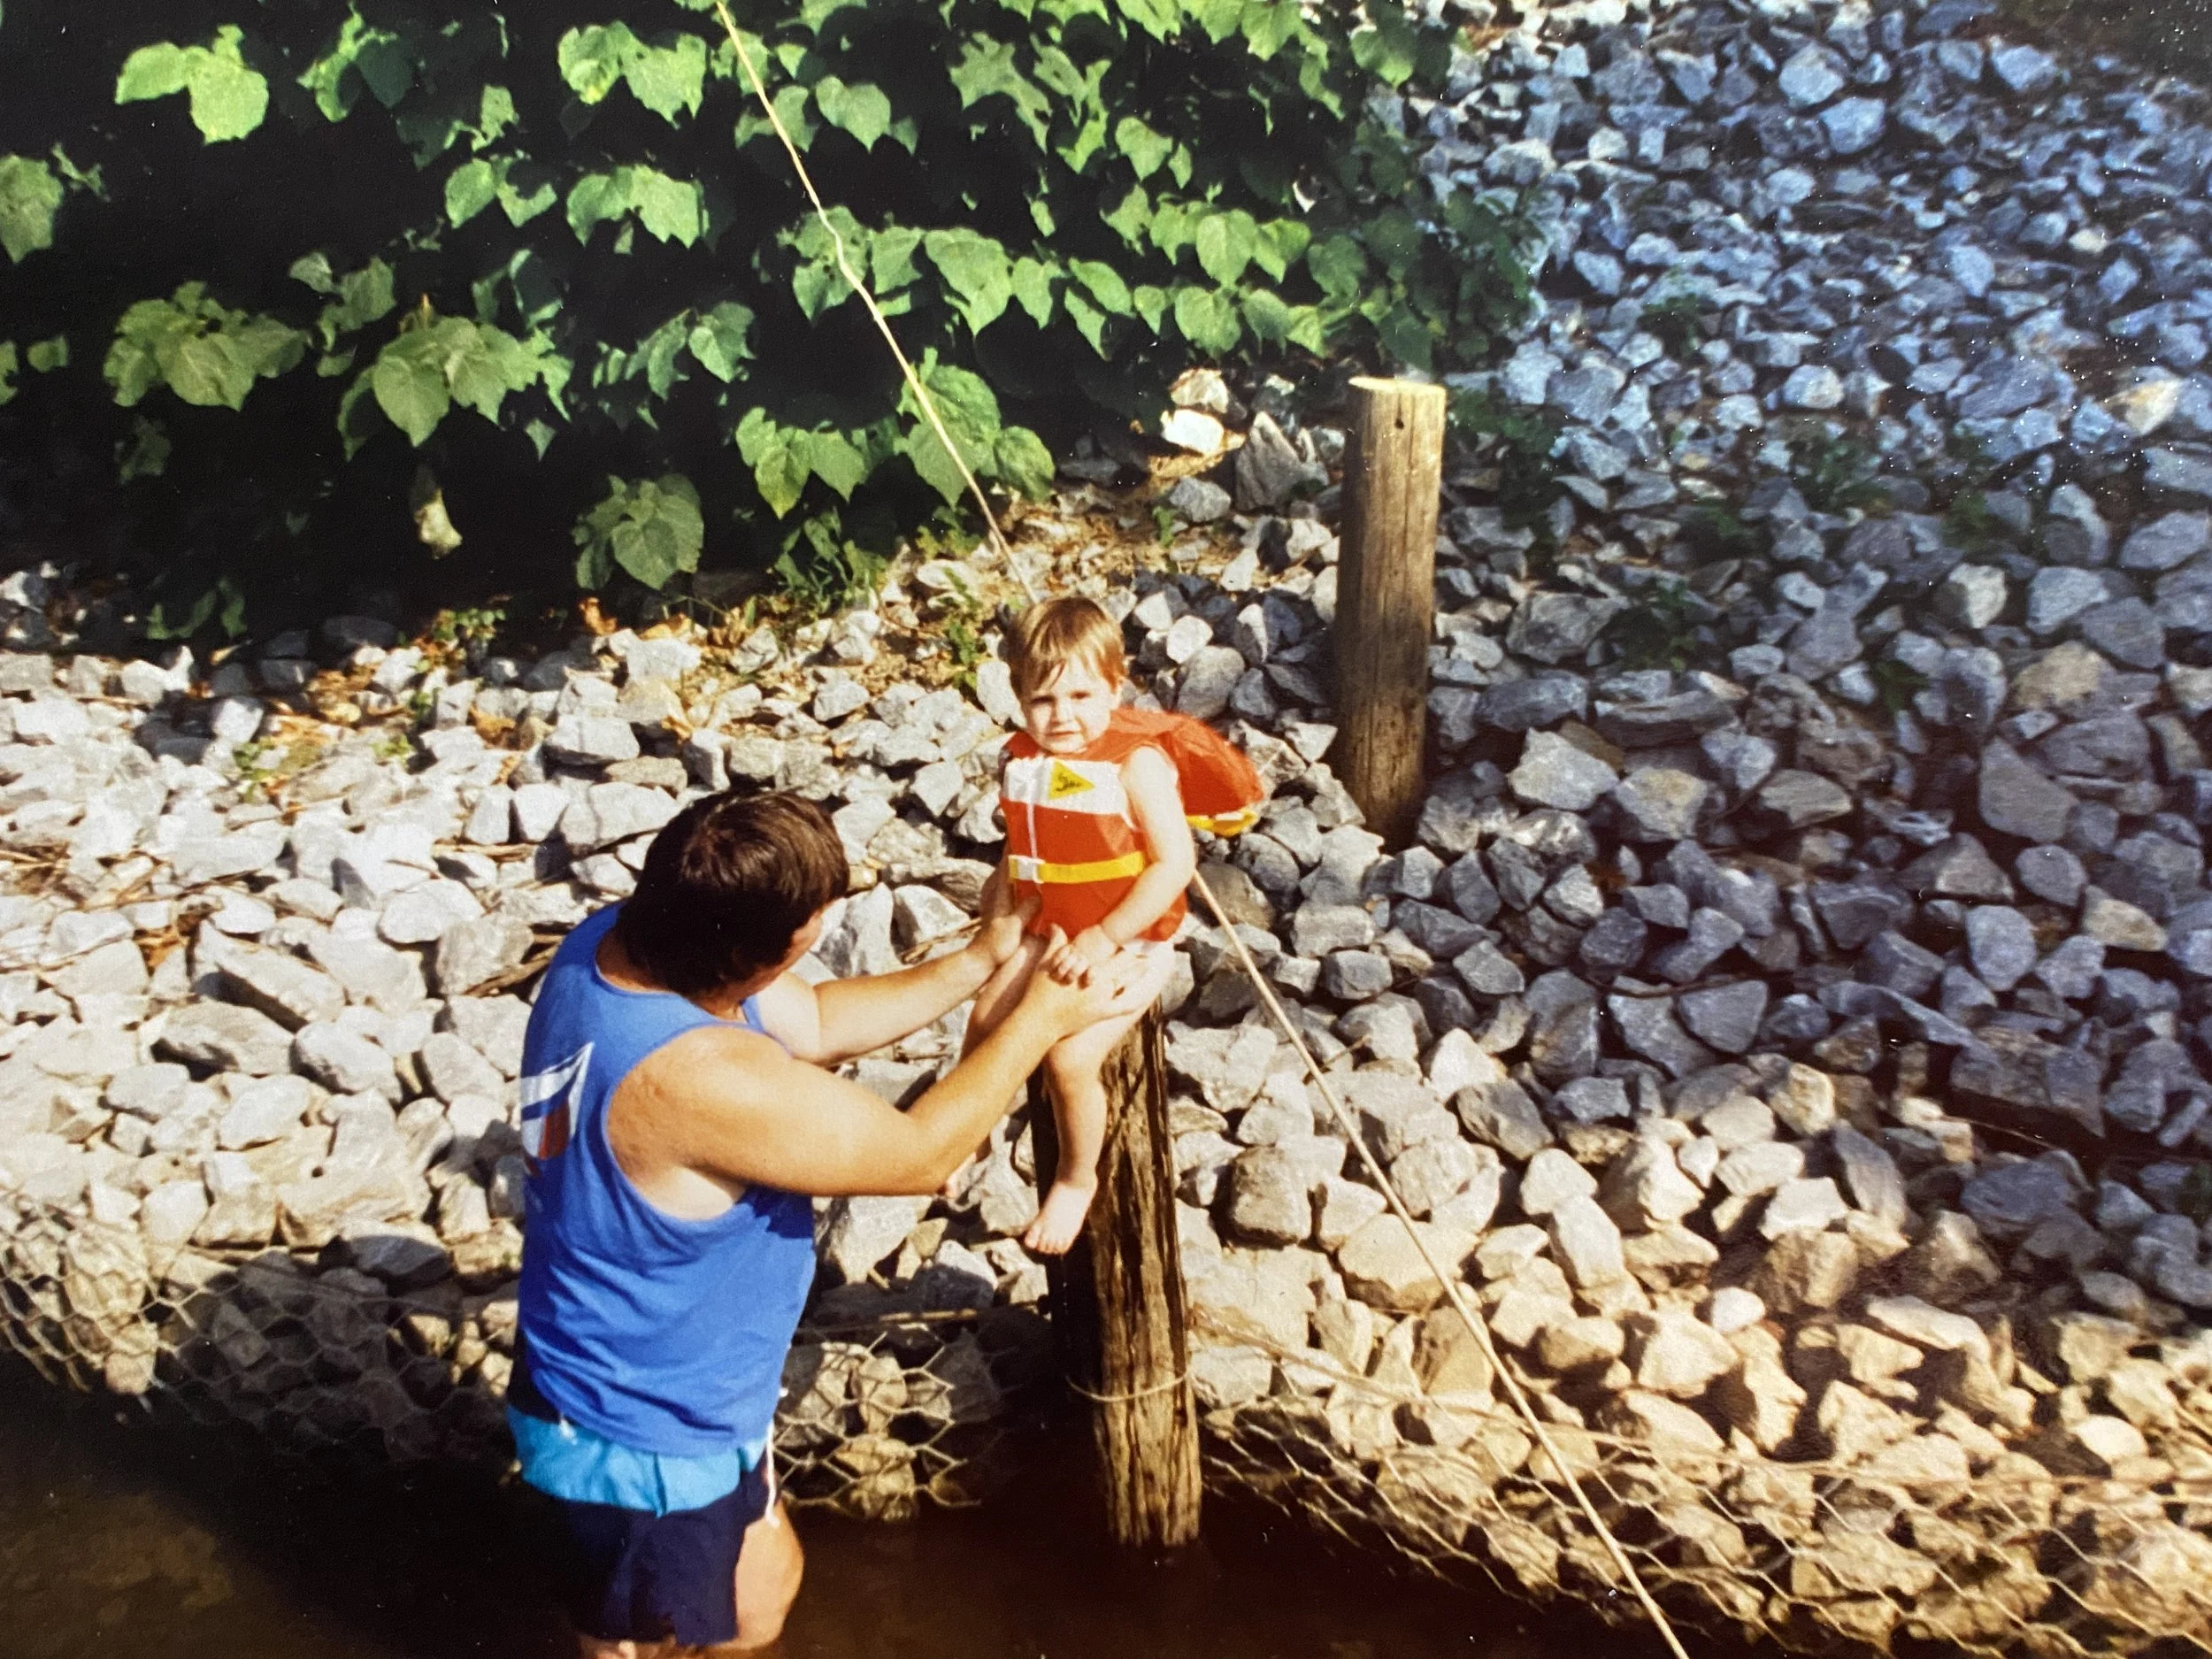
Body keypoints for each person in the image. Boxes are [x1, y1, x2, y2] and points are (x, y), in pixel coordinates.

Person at [511, 789, 1152, 1655]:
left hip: (684, 1393)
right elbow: (920, 1155)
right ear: (767, 951)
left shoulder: (621, 941)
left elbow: (812, 1020)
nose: (823, 929)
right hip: (637, 1436)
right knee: (644, 1640)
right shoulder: (697, 1077)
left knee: (755, 1604)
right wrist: (1042, 1019)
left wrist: (982, 957)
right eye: (815, 923)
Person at [966, 596, 1264, 1256]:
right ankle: (965, 1131)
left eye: (1080, 695)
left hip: (1130, 942)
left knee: (1069, 1060)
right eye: (1042, 700)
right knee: (986, 1015)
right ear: (1017, 696)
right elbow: (1020, 850)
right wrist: (997, 922)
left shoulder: (1135, 763)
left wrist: (1105, 939)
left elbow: (1172, 863)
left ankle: (1076, 1180)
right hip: (1050, 928)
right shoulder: (1023, 759)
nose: (1062, 716)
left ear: (1114, 686)